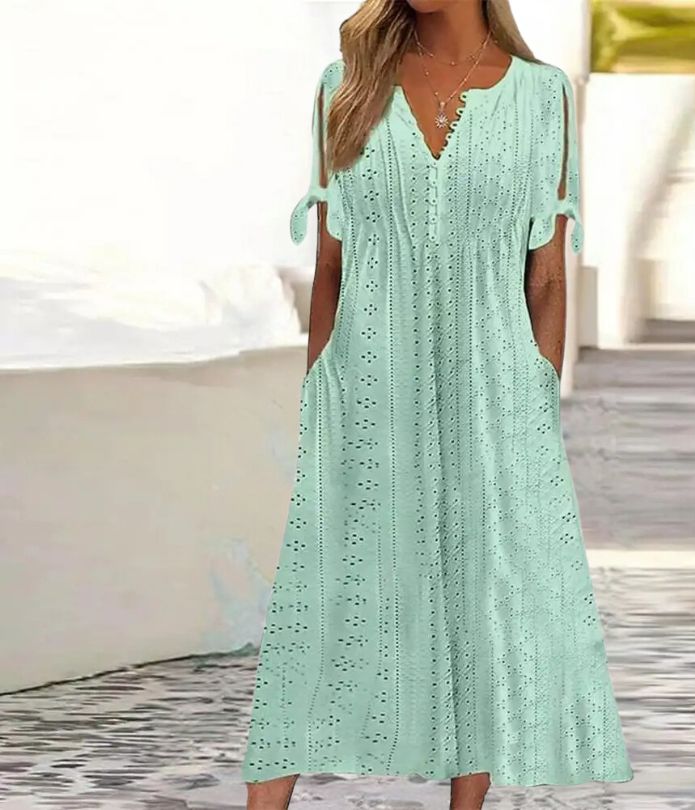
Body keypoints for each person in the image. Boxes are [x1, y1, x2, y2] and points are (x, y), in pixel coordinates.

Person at [243, 1, 633, 808]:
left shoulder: (542, 96)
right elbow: (331, 265)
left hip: (497, 389)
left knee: (478, 596)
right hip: (366, 382)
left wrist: (534, 396)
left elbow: (546, 276)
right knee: (324, 592)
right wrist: (322, 390)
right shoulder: (345, 87)